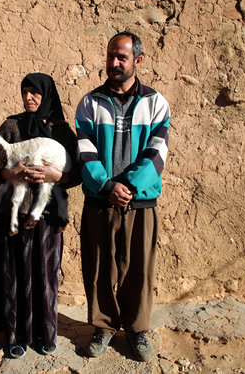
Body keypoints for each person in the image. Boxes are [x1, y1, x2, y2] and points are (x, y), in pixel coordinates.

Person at [74, 32, 171, 361]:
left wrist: (127, 186)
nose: (114, 63)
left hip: (139, 202)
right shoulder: (90, 103)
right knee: (100, 268)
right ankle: (103, 328)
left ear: (137, 61)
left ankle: (138, 329)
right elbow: (84, 151)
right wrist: (106, 186)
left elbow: (157, 153)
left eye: (122, 57)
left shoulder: (156, 103)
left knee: (139, 269)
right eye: (111, 55)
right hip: (100, 201)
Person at [0, 73, 80, 358]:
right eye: (25, 92)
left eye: (35, 92)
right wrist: (8, 172)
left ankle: (45, 334)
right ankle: (15, 335)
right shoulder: (11, 126)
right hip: (14, 213)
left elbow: (77, 172)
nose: (29, 97)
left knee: (44, 274)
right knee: (14, 273)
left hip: (48, 215)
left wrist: (58, 175)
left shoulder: (62, 131)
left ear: (47, 95)